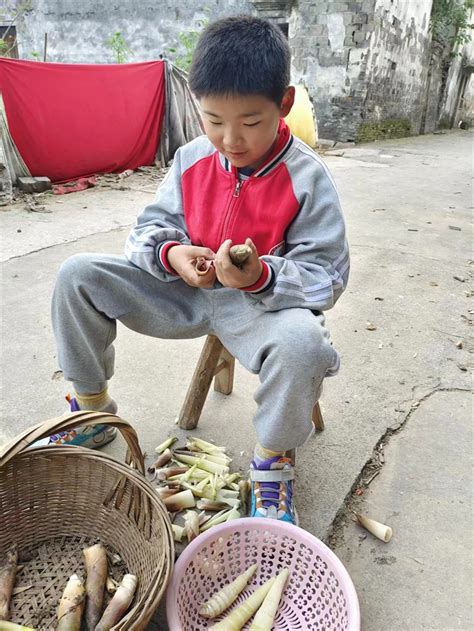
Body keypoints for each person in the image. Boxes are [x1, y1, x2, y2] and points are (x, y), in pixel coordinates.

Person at [51, 15, 349, 524]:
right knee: (77, 275)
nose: (231, 139)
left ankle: (273, 462)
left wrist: (262, 276)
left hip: (259, 308)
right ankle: (94, 408)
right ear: (197, 106)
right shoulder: (190, 160)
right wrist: (171, 255)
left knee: (305, 344)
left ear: (284, 105)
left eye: (251, 122)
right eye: (213, 120)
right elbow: (145, 232)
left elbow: (327, 273)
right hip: (183, 294)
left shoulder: (306, 178)